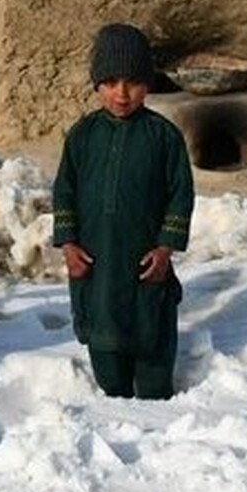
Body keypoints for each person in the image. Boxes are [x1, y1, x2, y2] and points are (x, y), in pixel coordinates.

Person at [52, 23, 195, 399]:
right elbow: (64, 191)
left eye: (132, 82)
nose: (122, 93)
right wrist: (68, 245)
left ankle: (156, 406)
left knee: (153, 361)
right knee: (109, 371)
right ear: (97, 84)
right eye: (111, 82)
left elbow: (181, 195)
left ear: (147, 84)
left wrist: (165, 249)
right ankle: (114, 399)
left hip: (145, 264)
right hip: (96, 264)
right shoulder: (82, 136)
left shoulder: (164, 137)